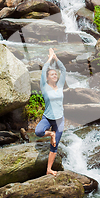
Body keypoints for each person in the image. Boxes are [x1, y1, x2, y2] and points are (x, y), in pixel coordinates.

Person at [35, 48, 67, 176]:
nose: (55, 75)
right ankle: (51, 134)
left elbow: (63, 70)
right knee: (38, 131)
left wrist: (56, 58)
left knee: (54, 146)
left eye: (55, 74)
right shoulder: (44, 87)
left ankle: (49, 169)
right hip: (48, 117)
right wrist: (49, 58)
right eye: (52, 74)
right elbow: (43, 70)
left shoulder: (60, 86)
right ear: (48, 78)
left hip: (60, 119)